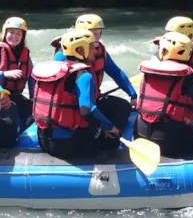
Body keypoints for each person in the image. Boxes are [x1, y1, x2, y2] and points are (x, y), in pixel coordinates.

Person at [34, 29, 125, 160]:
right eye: (92, 47)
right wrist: (111, 128)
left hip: (43, 140)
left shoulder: (54, 69)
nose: (95, 50)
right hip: (65, 145)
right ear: (81, 50)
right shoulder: (84, 75)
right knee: (113, 140)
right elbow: (87, 111)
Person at [51, 13, 136, 127]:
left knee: (123, 106)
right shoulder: (64, 53)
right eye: (92, 32)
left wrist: (133, 95)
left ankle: (112, 134)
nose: (97, 36)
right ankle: (107, 134)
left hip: (91, 100)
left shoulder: (99, 50)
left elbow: (115, 72)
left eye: (99, 32)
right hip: (71, 105)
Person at [0, 16, 34, 130]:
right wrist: (4, 74)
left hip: (15, 95)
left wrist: (33, 97)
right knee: (10, 107)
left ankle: (21, 134)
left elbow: (32, 78)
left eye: (19, 33)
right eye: (11, 32)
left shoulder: (25, 54)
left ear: (23, 36)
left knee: (37, 108)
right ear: (4, 33)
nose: (15, 36)